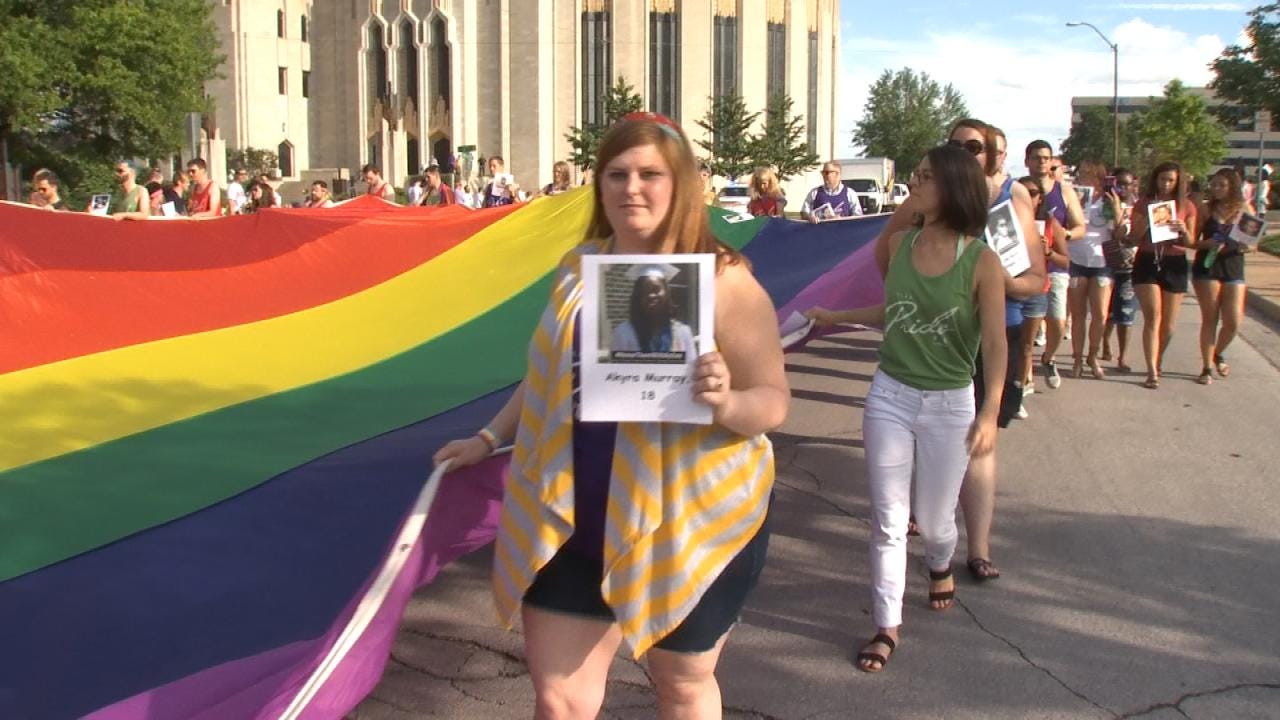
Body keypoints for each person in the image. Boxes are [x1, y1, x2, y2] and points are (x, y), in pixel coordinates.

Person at [432, 111, 788, 719]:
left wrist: (725, 401)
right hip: (571, 518)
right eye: (616, 174)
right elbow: (546, 377)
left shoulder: (725, 281)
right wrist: (490, 436)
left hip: (685, 524)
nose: (631, 188)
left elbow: (772, 402)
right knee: (560, 700)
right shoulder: (580, 270)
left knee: (680, 687)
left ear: (682, 183)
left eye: (650, 173)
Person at [806, 144, 1007, 673]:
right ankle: (885, 624)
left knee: (938, 521)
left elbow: (996, 344)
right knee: (890, 521)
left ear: (954, 190)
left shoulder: (981, 261)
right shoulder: (899, 244)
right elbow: (893, 312)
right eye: (914, 176)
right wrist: (836, 314)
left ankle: (942, 562)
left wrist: (989, 414)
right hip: (890, 396)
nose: (913, 184)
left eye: (924, 178)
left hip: (950, 405)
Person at [875, 119, 1045, 583]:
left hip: (990, 336)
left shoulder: (1012, 205)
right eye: (954, 144)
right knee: (925, 433)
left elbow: (1036, 280)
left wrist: (992, 282)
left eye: (973, 145)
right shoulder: (922, 198)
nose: (963, 151)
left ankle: (979, 546)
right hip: (931, 337)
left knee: (980, 440)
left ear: (992, 155)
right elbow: (884, 253)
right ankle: (930, 520)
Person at [1129, 161, 1198, 389]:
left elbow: (1191, 243)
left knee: (1168, 324)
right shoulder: (1143, 203)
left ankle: (1157, 360)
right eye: (1162, 179)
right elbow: (1134, 237)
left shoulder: (1186, 206)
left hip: (1174, 260)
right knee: (1153, 316)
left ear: (1178, 182)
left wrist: (1183, 229)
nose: (1166, 184)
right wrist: (1146, 223)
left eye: (1171, 180)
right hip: (1148, 260)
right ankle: (1151, 371)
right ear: (1155, 180)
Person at [1025, 140, 1085, 389]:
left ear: (1051, 162)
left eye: (1046, 158)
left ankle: (1049, 358)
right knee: (1027, 325)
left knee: (1057, 322)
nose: (1042, 162)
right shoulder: (1020, 188)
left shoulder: (1063, 191)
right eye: (1037, 157)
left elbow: (1080, 227)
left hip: (1055, 265)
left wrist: (1060, 237)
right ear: (1027, 160)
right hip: (1026, 267)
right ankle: (1025, 375)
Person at [1192, 168, 1252, 384]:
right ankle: (1206, 367)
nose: (1216, 189)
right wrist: (1206, 244)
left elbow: (1253, 244)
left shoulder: (1244, 210)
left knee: (1233, 321)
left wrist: (1245, 246)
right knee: (1210, 317)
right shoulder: (1206, 209)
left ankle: (1217, 353)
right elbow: (1192, 241)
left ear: (1232, 187)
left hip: (1233, 265)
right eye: (1214, 184)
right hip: (1207, 267)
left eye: (1221, 185)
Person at [1013, 176, 1067, 408]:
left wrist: (1049, 253)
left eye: (1033, 192)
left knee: (1026, 345)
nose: (1028, 196)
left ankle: (1020, 391)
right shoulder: (1003, 220)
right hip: (1009, 288)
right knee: (1006, 343)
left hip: (1036, 291)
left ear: (1040, 198)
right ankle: (1012, 388)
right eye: (1022, 191)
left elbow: (1065, 260)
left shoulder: (1049, 223)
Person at [1066, 161, 1121, 379]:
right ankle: (1078, 358)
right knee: (1078, 315)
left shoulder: (1107, 201)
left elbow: (1118, 233)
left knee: (1100, 314)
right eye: (1080, 175)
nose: (1082, 179)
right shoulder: (1073, 198)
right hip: (1076, 259)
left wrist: (1117, 211)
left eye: (1088, 175)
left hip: (1101, 262)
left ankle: (1092, 355)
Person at [1100, 169, 1141, 372]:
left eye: (1127, 184)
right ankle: (1105, 341)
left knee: (1125, 311)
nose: (1123, 188)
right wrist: (1115, 209)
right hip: (1108, 262)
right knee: (1107, 311)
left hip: (1130, 265)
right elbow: (1116, 233)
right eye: (1119, 184)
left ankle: (1122, 356)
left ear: (1134, 184)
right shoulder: (1104, 206)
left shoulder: (1140, 207)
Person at [609, 265, 698, 355]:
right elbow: (614, 368)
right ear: (638, 297)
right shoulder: (623, 332)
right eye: (644, 291)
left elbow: (691, 367)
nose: (651, 295)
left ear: (666, 292)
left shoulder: (682, 332)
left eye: (656, 289)